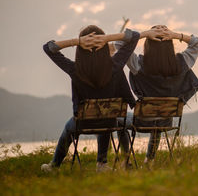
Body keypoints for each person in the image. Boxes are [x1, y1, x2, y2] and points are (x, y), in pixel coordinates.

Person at [41, 25, 163, 172]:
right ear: (104, 46)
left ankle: (54, 165)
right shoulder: (115, 65)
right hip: (109, 122)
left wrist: (77, 41)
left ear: (81, 49)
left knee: (69, 127)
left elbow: (48, 48)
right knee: (106, 117)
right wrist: (106, 39)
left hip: (83, 122)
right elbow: (134, 37)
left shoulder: (75, 69)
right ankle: (102, 163)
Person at [115, 25, 198, 163]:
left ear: (148, 44)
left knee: (118, 120)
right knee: (158, 118)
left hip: (142, 121)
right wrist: (175, 35)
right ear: (170, 44)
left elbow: (119, 43)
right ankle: (149, 161)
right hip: (166, 120)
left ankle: (126, 160)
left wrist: (145, 34)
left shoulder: (138, 64)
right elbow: (197, 43)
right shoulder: (182, 63)